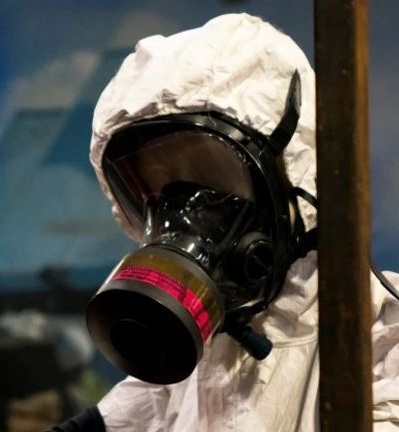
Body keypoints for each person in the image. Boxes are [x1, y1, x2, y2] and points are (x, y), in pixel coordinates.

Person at [52, 13, 399, 432]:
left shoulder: (381, 344)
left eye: (210, 177)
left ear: (292, 171)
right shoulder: (189, 370)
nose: (183, 217)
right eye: (155, 190)